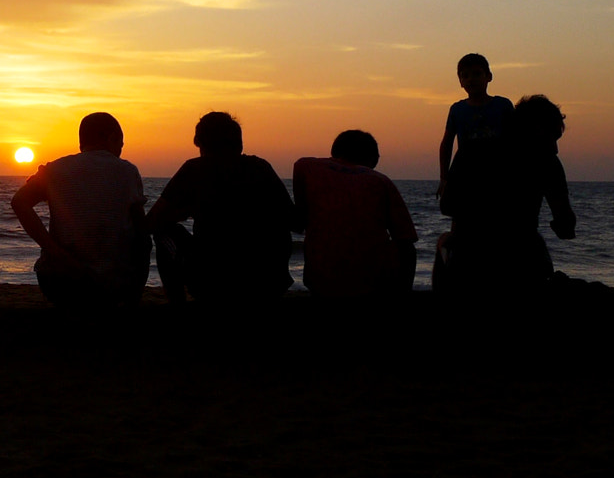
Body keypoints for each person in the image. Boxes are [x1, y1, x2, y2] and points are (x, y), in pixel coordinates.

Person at [435, 93, 576, 300]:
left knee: (446, 240)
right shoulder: (548, 162)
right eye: (553, 137)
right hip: (522, 267)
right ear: (537, 130)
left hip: (470, 266)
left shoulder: (470, 151)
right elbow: (566, 227)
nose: (555, 148)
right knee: (536, 247)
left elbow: (447, 206)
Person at [148, 112, 293, 305]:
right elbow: (293, 219)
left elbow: (151, 222)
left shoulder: (195, 169)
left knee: (163, 231)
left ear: (200, 143)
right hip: (271, 283)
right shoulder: (261, 167)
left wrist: (183, 212)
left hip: (213, 283)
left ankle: (177, 304)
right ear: (239, 142)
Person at [11, 112, 148, 310]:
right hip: (113, 285)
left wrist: (54, 251)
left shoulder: (54, 169)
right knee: (145, 240)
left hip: (62, 284)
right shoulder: (128, 171)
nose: (120, 150)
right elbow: (140, 230)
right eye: (121, 144)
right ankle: (132, 302)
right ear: (112, 139)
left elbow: (19, 201)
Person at [290, 128, 418, 300]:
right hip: (371, 285)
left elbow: (299, 222)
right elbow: (406, 243)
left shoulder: (305, 167)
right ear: (372, 158)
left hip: (321, 282)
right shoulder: (381, 181)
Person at [437, 52, 515, 210]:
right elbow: (446, 144)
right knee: (461, 219)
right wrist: (444, 178)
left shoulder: (503, 105)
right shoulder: (457, 110)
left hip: (497, 173)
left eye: (477, 74)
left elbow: (516, 139)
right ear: (460, 81)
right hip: (465, 173)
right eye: (465, 76)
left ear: (489, 76)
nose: (471, 79)